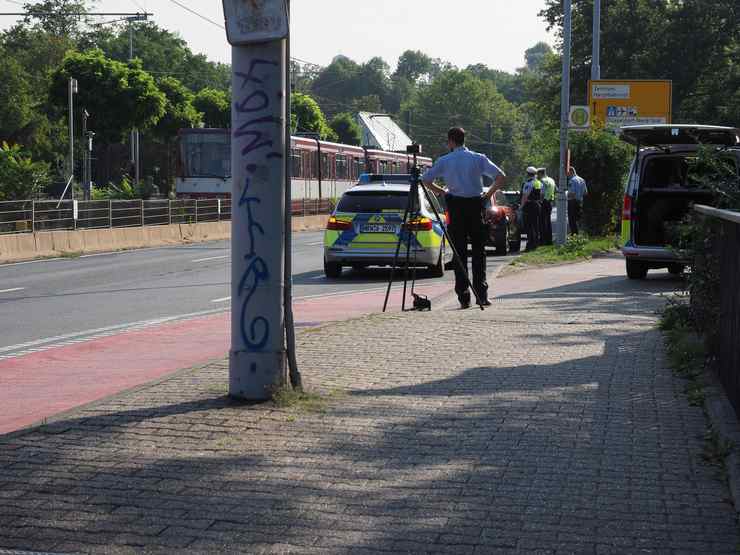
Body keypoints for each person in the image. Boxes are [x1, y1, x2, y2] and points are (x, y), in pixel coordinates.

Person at [422, 127, 505, 309]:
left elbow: (426, 180)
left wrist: (442, 192)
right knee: (479, 253)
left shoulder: (445, 160)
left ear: (451, 141)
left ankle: (463, 297)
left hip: (456, 207)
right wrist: (487, 194)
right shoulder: (478, 158)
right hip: (476, 206)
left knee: (459, 255)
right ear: (464, 139)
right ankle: (482, 295)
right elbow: (500, 177)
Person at [520, 166, 542, 251]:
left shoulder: (528, 183)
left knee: (528, 226)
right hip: (536, 205)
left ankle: (529, 246)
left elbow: (525, 196)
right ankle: (535, 244)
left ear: (528, 174)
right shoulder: (538, 182)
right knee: (535, 226)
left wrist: (521, 206)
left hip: (529, 206)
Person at [537, 168, 556, 245]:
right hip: (550, 202)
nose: (537, 176)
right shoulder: (552, 180)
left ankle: (542, 240)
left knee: (542, 222)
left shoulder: (542, 181)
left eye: (538, 174)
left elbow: (542, 193)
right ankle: (549, 240)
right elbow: (555, 190)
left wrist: (540, 201)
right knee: (548, 222)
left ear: (540, 174)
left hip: (544, 202)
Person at [567, 167, 588, 235]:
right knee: (578, 219)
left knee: (572, 220)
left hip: (572, 202)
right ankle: (580, 235)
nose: (567, 175)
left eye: (568, 173)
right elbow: (585, 192)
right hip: (580, 201)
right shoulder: (582, 179)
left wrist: (566, 194)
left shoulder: (572, 180)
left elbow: (572, 193)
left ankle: (574, 235)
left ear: (571, 172)